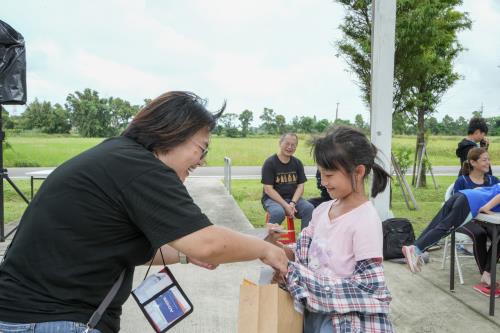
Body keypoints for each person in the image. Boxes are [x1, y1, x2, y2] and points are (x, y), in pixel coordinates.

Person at [0, 91, 288, 333]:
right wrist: (264, 250)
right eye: (201, 148)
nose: (201, 161)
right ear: (173, 132)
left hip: (31, 315)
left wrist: (188, 255)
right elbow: (208, 243)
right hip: (50, 319)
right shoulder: (140, 168)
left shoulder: (119, 156)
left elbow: (124, 247)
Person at [267, 126, 393, 332]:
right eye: (321, 174)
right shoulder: (322, 211)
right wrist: (273, 247)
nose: (323, 182)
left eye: (330, 175)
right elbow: (300, 256)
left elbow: (367, 286)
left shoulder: (366, 220)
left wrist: (295, 273)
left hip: (339, 319)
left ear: (358, 172)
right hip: (311, 308)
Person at [403, 184, 500, 275]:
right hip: (470, 203)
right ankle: (415, 250)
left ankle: (414, 248)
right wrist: (487, 207)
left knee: (435, 225)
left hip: (462, 194)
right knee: (445, 229)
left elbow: (478, 189)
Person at [452, 147, 500, 295]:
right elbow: (456, 205)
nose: (488, 163)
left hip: (489, 220)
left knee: (499, 235)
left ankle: (487, 273)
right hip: (466, 220)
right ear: (473, 162)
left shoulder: (494, 180)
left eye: (488, 159)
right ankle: (486, 275)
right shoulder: (462, 181)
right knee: (478, 234)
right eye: (484, 160)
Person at [261, 133, 314, 230]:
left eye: (293, 145)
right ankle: (267, 241)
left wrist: (292, 203)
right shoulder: (270, 163)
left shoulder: (297, 163)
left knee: (309, 208)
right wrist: (286, 205)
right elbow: (268, 189)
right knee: (278, 212)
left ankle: (304, 242)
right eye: (287, 144)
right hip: (272, 200)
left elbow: (300, 186)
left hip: (292, 199)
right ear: (280, 143)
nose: (290, 147)